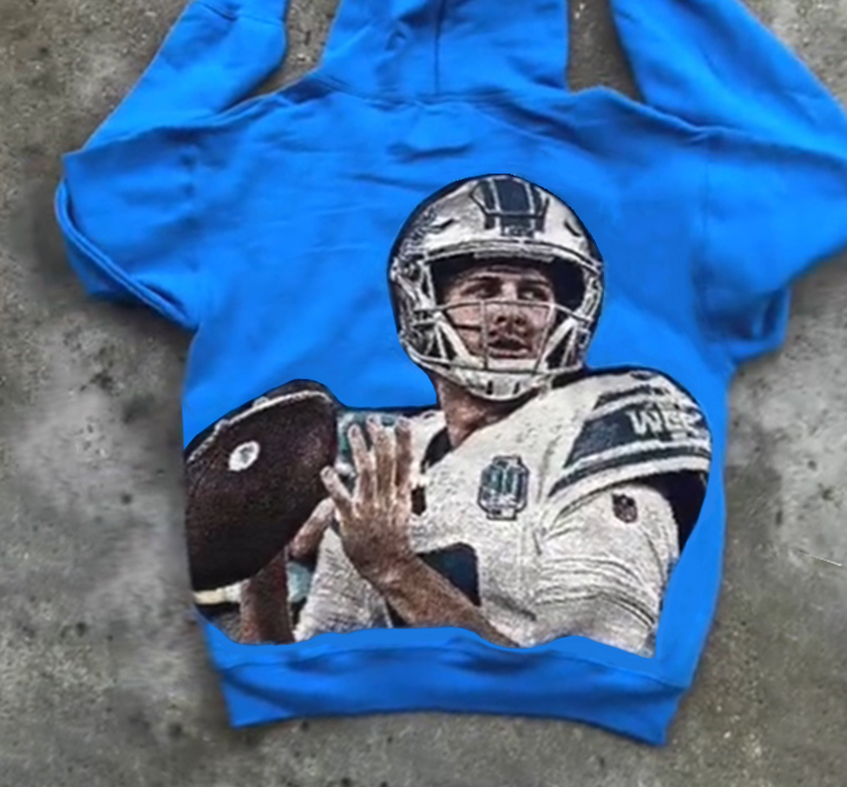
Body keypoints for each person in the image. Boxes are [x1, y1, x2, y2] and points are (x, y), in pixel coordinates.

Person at [274, 175, 713, 656]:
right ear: (423, 304)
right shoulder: (391, 457)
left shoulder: (596, 436)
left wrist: (395, 569)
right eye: (482, 288)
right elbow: (312, 667)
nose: (510, 311)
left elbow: (583, 676)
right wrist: (261, 565)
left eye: (533, 293)